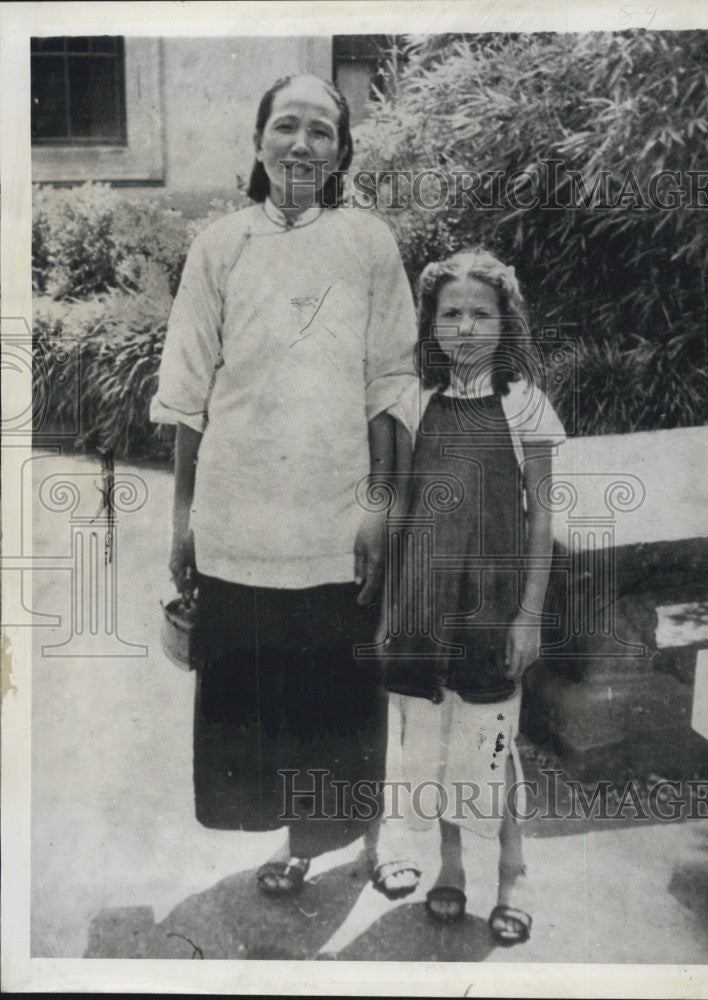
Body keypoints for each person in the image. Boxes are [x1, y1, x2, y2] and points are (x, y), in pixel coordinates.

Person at [150, 74, 417, 895]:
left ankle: (364, 830)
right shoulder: (219, 246)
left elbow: (389, 384)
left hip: (338, 517)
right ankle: (293, 841)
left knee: (342, 693)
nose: (302, 145)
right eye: (286, 127)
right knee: (261, 697)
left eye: (322, 133)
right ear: (259, 140)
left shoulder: (368, 243)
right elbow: (188, 392)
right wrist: (184, 518)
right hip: (240, 516)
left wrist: (378, 508)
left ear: (342, 153)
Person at [372, 249, 565, 945]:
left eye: (480, 313)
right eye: (449, 312)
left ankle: (512, 870)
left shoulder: (524, 405)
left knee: (489, 744)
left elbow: (542, 517)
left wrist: (529, 616)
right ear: (428, 324)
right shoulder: (410, 402)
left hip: (493, 607)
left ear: (504, 322)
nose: (463, 326)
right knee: (435, 740)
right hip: (422, 606)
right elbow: (393, 504)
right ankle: (450, 864)